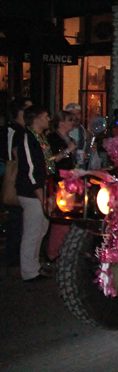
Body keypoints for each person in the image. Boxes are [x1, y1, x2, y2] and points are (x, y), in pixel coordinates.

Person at [16, 106, 52, 281]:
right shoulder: (27, 137)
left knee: (41, 229)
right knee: (32, 231)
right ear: (36, 118)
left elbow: (46, 163)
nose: (48, 119)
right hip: (32, 192)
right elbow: (31, 169)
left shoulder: (40, 138)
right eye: (45, 116)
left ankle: (34, 265)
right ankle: (29, 271)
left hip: (42, 189)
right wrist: (41, 195)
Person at [2, 97, 31, 271]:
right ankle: (12, 256)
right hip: (13, 176)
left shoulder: (23, 131)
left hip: (18, 176)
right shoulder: (14, 130)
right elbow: (11, 155)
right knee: (15, 215)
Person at [46, 110, 78, 262]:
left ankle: (63, 249)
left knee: (67, 216)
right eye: (70, 120)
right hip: (58, 180)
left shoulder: (69, 139)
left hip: (69, 181)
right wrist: (67, 151)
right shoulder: (52, 139)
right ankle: (53, 252)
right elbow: (50, 160)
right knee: (60, 218)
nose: (73, 123)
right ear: (61, 122)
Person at [65, 102, 89, 168]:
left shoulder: (86, 134)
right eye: (73, 114)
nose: (76, 117)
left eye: (78, 114)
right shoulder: (62, 132)